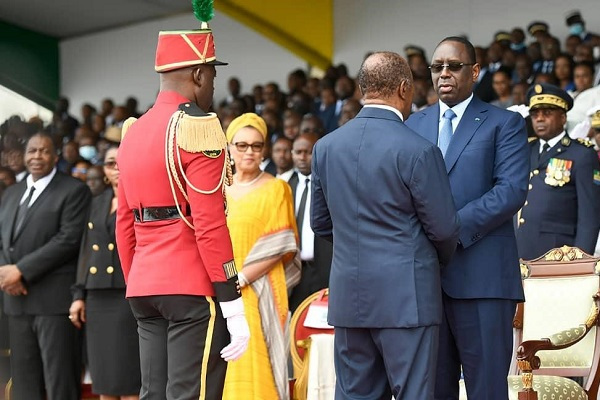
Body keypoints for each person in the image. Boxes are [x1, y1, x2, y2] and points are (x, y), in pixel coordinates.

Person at [115, 7, 250, 400]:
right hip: (189, 286)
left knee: (153, 394)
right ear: (197, 74)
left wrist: (137, 279)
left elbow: (125, 222)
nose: (212, 86)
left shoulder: (132, 131)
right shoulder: (199, 126)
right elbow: (209, 223)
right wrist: (232, 304)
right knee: (189, 394)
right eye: (212, 75)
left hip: (143, 285)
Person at [311, 51, 460, 400]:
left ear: (364, 88)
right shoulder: (419, 150)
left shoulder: (326, 147)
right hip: (407, 298)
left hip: (351, 297)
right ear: (405, 88)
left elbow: (321, 223)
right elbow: (443, 229)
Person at [406, 36, 529, 400]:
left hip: (483, 282)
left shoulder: (503, 123)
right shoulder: (414, 124)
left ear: (475, 71)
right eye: (437, 67)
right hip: (426, 284)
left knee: (487, 391)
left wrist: (449, 230)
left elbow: (510, 191)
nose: (444, 73)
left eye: (454, 66)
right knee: (433, 391)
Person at [0, 132, 92, 399]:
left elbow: (68, 239)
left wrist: (21, 271)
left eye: (43, 151)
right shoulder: (12, 193)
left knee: (59, 381)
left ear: (55, 155)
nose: (36, 156)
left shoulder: (74, 190)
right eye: (32, 151)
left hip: (53, 302)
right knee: (24, 382)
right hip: (16, 300)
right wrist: (6, 273)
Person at [222, 113, 299, 400]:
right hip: (217, 290)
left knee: (255, 366)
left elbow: (280, 245)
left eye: (256, 146)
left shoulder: (277, 188)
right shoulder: (215, 189)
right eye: (241, 145)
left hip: (258, 289)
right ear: (229, 147)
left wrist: (240, 279)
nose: (249, 152)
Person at [69, 146, 141, 400]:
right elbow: (86, 249)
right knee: (104, 378)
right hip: (97, 295)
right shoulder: (95, 202)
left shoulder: (143, 198)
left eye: (122, 163)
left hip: (128, 292)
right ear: (104, 169)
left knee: (130, 376)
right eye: (111, 164)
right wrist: (79, 294)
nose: (117, 169)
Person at [516, 83, 600, 260]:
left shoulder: (582, 154)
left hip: (559, 254)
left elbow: (589, 217)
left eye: (547, 113)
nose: (539, 119)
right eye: (535, 114)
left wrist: (580, 261)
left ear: (563, 118)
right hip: (522, 250)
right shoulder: (526, 150)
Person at [287, 133, 332, 313]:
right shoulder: (285, 186)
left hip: (324, 267)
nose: (303, 157)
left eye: (308, 152)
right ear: (292, 154)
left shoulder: (330, 184)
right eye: (298, 152)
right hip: (296, 269)